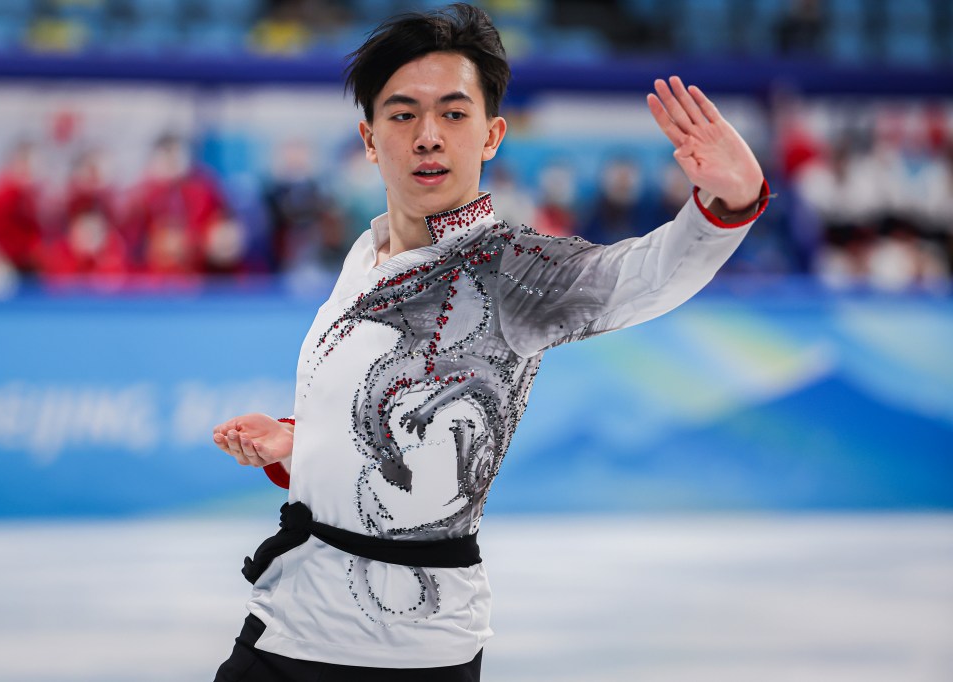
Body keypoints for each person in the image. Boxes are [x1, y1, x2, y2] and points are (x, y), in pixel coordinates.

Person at [210, 4, 769, 680]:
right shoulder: (367, 251)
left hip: (407, 655)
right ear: (368, 137)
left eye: (452, 113)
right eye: (402, 114)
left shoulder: (513, 272)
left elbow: (644, 277)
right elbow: (388, 418)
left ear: (492, 133)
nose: (427, 137)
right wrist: (300, 442)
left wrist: (725, 207)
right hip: (285, 626)